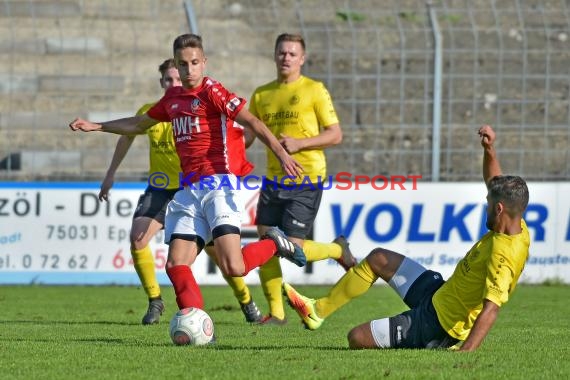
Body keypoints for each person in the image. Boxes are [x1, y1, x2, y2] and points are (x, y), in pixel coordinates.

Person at [70, 33, 306, 321]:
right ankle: (197, 324)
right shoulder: (172, 99)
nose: (190, 69)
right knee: (176, 263)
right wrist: (97, 126)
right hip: (189, 190)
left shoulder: (213, 92)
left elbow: (252, 121)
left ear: (204, 62)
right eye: (184, 64)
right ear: (177, 66)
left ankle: (274, 243)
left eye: (195, 62)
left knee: (234, 266)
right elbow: (139, 124)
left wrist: (282, 154)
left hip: (219, 185)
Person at [283, 125, 530, 352]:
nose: (485, 206)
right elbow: (494, 183)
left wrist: (466, 354)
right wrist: (489, 150)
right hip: (439, 293)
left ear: (499, 209)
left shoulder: (504, 255)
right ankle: (317, 311)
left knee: (356, 338)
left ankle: (438, 342)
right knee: (379, 258)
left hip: (438, 324)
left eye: (488, 203)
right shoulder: (514, 221)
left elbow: (491, 309)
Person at [98, 58, 263, 325]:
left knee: (222, 257)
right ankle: (154, 301)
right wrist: (110, 173)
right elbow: (129, 133)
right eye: (168, 80)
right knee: (138, 238)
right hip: (161, 188)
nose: (174, 83)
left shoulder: (200, 107)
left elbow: (238, 132)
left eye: (177, 78)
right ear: (161, 82)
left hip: (195, 188)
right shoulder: (153, 110)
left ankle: (245, 299)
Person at [247, 33, 357, 325]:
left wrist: (300, 144)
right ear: (274, 55)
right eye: (282, 52)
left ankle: (337, 250)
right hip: (273, 179)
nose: (286, 58)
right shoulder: (261, 94)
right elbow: (246, 137)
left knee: (291, 247)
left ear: (302, 59)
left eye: (292, 54)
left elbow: (335, 134)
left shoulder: (314, 90)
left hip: (306, 176)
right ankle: (277, 313)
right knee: (265, 243)